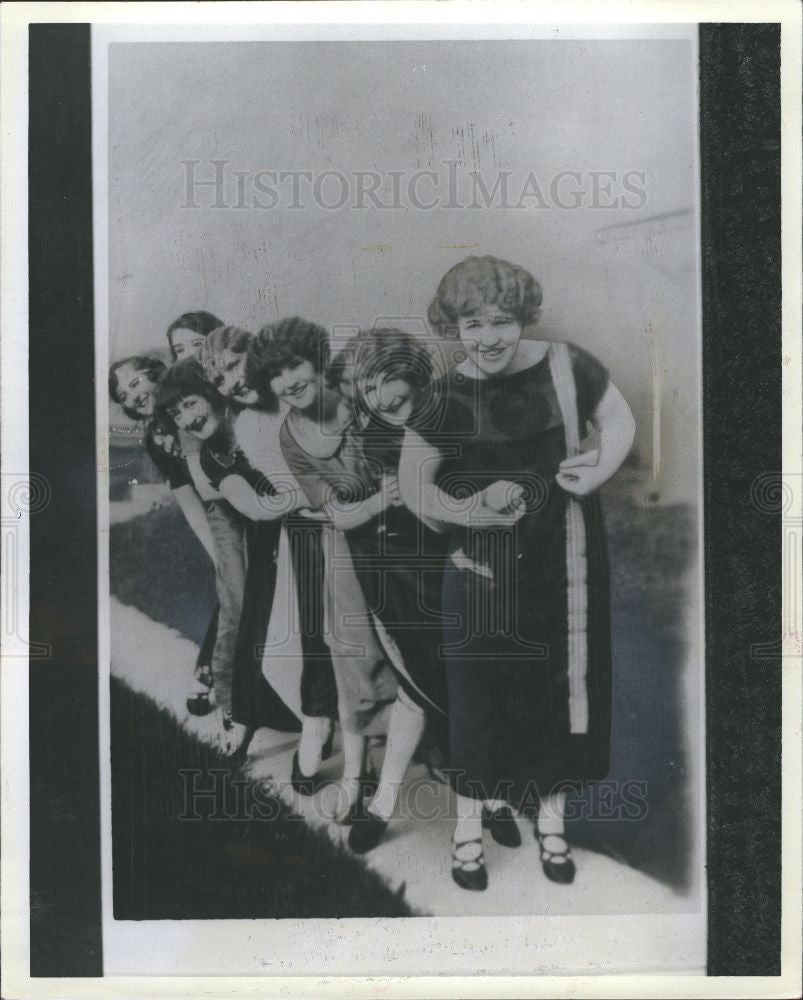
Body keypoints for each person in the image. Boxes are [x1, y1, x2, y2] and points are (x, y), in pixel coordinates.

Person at [399, 255, 635, 891]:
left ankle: (551, 828)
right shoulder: (445, 394)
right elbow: (413, 485)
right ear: (453, 327)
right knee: (478, 704)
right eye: (472, 324)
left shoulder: (567, 365)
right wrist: (470, 509)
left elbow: (618, 422)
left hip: (565, 563)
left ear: (523, 317)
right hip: (479, 570)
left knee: (557, 699)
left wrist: (599, 467)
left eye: (501, 321)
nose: (488, 337)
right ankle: (468, 835)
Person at [251, 317, 399, 823]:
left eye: (293, 365)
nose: (288, 381)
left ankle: (439, 754)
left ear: (315, 360)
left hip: (409, 535)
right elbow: (339, 513)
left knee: (422, 642)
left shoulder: (361, 391)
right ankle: (360, 773)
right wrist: (384, 498)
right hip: (350, 542)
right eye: (275, 376)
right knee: (352, 650)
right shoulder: (290, 436)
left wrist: (393, 498)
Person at [201, 330, 339, 779]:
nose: (229, 382)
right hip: (275, 530)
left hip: (328, 526)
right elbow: (263, 500)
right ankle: (244, 719)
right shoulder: (236, 428)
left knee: (318, 628)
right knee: (258, 628)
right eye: (217, 378)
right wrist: (297, 500)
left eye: (233, 365)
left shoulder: (300, 400)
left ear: (256, 359)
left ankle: (319, 724)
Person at [341, 328, 451, 853]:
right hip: (399, 570)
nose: (380, 396)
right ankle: (384, 801)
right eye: (366, 387)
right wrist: (386, 500)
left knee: (473, 675)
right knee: (416, 678)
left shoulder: (450, 416)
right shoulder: (364, 439)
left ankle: (489, 796)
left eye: (388, 380)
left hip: (458, 560)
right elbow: (341, 513)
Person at [109, 355, 223, 719]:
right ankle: (218, 676)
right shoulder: (157, 436)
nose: (131, 396)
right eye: (123, 395)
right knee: (229, 590)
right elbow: (188, 495)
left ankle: (214, 675)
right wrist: (213, 548)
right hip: (218, 516)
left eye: (134, 383)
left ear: (157, 374)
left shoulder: (193, 409)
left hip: (249, 502)